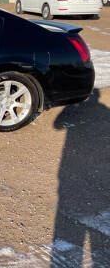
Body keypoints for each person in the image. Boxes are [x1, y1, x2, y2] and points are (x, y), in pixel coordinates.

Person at [52, 89, 110, 266]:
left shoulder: (82, 110)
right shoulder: (105, 111)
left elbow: (57, 124)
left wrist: (71, 108)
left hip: (75, 178)